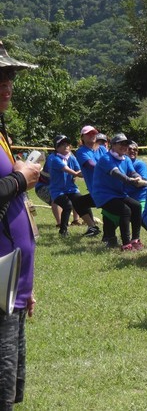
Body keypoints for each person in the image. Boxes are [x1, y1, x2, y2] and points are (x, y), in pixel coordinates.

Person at [0, 41, 41, 409]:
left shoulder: (1, 133)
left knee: (11, 386)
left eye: (10, 75)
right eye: (0, 76)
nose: (7, 83)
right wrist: (19, 179)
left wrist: (25, 286)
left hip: (11, 282)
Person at [92, 133, 146, 251]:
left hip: (118, 194)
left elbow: (132, 172)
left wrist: (138, 177)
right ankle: (126, 244)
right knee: (125, 210)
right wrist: (131, 181)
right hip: (103, 195)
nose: (125, 146)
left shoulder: (125, 159)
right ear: (113, 145)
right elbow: (117, 174)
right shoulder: (106, 158)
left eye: (126, 143)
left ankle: (135, 240)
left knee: (136, 206)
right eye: (121, 143)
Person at [48, 135, 101, 237]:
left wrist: (83, 172)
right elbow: (69, 170)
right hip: (57, 191)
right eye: (62, 145)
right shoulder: (54, 159)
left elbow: (80, 169)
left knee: (81, 202)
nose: (66, 146)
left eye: (67, 144)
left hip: (71, 189)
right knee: (67, 205)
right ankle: (63, 230)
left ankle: (92, 227)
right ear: (56, 147)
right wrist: (77, 174)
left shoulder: (72, 158)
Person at [75, 125, 116, 245]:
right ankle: (96, 229)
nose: (92, 135)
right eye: (88, 134)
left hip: (106, 187)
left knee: (108, 210)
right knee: (78, 202)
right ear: (82, 137)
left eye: (94, 133)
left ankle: (107, 235)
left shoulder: (102, 149)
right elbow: (90, 165)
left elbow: (111, 162)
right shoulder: (81, 151)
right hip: (97, 189)